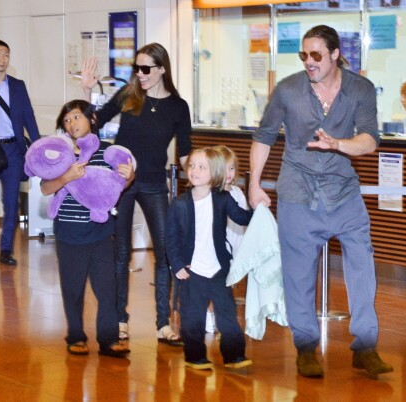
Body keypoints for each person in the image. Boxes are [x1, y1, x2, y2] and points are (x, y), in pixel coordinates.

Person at [249, 25, 393, 378]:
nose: (308, 62)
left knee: (362, 265)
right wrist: (253, 184)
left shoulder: (360, 89)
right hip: (298, 191)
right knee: (299, 276)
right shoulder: (288, 90)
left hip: (344, 193)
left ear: (334, 54)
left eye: (316, 55)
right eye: (303, 55)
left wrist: (338, 144)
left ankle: (365, 346)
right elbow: (265, 136)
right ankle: (306, 347)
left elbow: (370, 140)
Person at [80, 43, 192, 344]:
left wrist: (204, 177)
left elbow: (185, 152)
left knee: (166, 252)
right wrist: (89, 92)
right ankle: (119, 319)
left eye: (146, 69)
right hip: (122, 182)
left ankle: (163, 323)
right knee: (121, 253)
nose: (140, 74)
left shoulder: (178, 107)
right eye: (136, 68)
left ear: (162, 69)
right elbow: (94, 124)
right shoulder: (129, 96)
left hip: (155, 183)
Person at [40, 100, 135, 357]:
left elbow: (117, 188)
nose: (72, 124)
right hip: (69, 233)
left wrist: (129, 178)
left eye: (76, 117)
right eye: (67, 120)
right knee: (72, 289)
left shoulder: (108, 152)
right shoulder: (60, 154)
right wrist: (65, 177)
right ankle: (76, 336)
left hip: (101, 232)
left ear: (92, 118)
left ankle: (108, 339)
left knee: (107, 288)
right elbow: (45, 188)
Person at [165, 147, 253, 371]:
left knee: (227, 315)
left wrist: (258, 208)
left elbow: (242, 218)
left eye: (202, 167)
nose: (194, 170)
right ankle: (195, 356)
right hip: (191, 270)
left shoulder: (223, 199)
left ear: (214, 172)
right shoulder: (180, 203)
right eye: (192, 165)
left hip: (217, 269)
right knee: (192, 316)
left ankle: (234, 355)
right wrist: (176, 264)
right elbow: (171, 238)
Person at [0, 39, 41, 266]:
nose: (2, 59)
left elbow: (29, 118)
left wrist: (37, 147)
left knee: (11, 201)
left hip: (14, 150)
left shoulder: (17, 85)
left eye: (6, 54)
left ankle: (6, 249)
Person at [206, 145, 248, 333]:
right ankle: (209, 314)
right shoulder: (211, 195)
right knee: (214, 281)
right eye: (224, 169)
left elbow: (243, 220)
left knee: (226, 283)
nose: (229, 173)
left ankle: (221, 317)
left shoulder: (237, 193)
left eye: (232, 168)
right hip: (217, 246)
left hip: (236, 243)